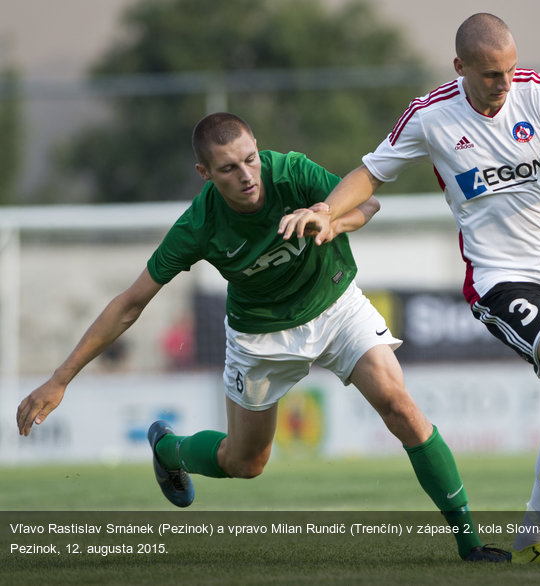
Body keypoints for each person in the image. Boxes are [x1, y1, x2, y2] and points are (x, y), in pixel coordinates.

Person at [15, 112, 509, 563]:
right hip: (261, 337)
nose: (247, 175)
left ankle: (470, 544)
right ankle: (170, 450)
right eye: (228, 168)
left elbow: (369, 203)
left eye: (250, 159)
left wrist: (331, 218)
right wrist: (60, 379)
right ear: (204, 173)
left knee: (400, 406)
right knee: (245, 462)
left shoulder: (290, 171)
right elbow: (129, 303)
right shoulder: (198, 225)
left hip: (337, 306)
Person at [279, 13, 540, 566]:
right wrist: (327, 209)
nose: (505, 83)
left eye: (511, 69)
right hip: (498, 278)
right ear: (461, 68)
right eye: (493, 74)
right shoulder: (430, 116)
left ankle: (532, 541)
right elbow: (371, 172)